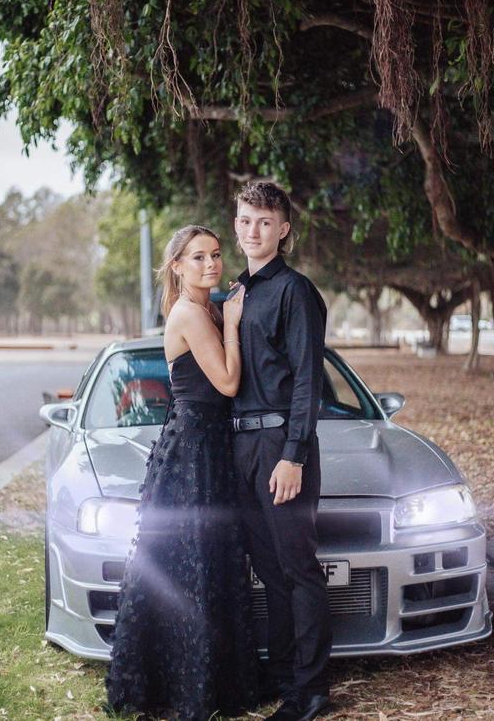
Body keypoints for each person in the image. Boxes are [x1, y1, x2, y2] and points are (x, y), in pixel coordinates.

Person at [105, 225, 258, 721]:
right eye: (198, 258)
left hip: (212, 449)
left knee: (209, 564)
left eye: (216, 255)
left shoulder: (208, 307)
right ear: (177, 266)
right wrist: (232, 322)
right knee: (186, 567)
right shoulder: (191, 313)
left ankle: (215, 681)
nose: (211, 265)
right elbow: (229, 381)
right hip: (191, 453)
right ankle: (179, 687)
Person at [230, 182, 332, 721]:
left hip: (280, 447)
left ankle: (311, 691)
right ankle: (282, 680)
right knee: (267, 574)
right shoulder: (235, 293)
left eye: (265, 222)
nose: (253, 231)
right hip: (241, 444)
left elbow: (306, 382)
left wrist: (292, 455)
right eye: (246, 220)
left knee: (297, 571)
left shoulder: (296, 291)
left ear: (284, 230)